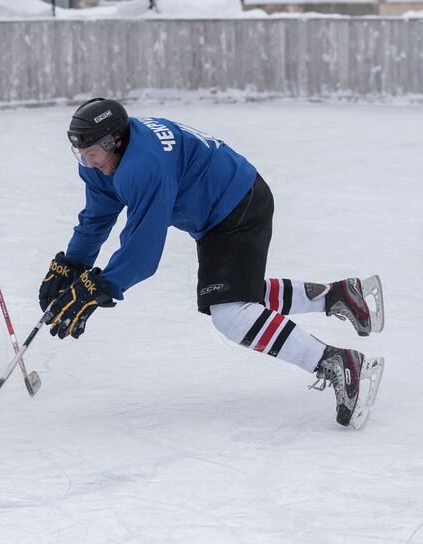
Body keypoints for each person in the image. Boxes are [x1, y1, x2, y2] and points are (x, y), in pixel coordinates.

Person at [39, 98, 385, 429]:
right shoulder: (106, 162)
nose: (88, 162)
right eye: (80, 155)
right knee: (235, 293)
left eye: (93, 153)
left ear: (114, 141)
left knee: (231, 313)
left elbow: (142, 253)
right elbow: (97, 216)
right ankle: (340, 296)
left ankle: (338, 362)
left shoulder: (144, 165)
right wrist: (72, 264)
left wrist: (99, 287)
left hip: (238, 205)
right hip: (219, 209)